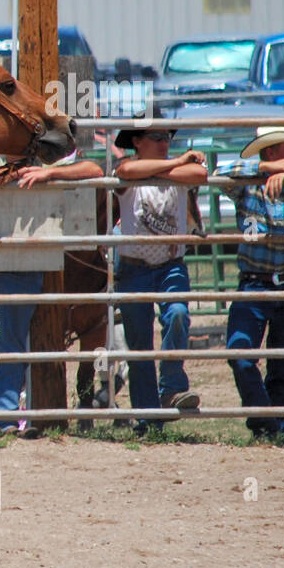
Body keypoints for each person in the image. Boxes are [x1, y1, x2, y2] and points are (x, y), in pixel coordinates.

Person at [0, 152, 104, 438]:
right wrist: (17, 173)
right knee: (11, 339)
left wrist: (48, 174)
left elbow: (94, 170)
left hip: (23, 261)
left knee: (13, 340)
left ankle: (6, 417)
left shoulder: (40, 161)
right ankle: (7, 415)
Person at [112, 122, 206, 433]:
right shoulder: (129, 170)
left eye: (166, 138)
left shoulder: (175, 171)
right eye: (155, 138)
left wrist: (159, 170)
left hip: (169, 264)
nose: (164, 143)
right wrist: (176, 164)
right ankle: (147, 416)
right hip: (134, 265)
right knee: (139, 343)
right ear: (137, 142)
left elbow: (199, 175)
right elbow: (125, 172)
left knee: (178, 314)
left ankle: (171, 388)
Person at [216, 125, 284, 444]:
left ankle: (273, 428)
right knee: (240, 354)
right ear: (271, 151)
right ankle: (268, 423)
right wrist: (265, 169)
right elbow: (220, 169)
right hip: (254, 284)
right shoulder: (247, 185)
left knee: (282, 366)